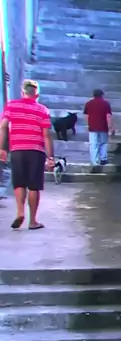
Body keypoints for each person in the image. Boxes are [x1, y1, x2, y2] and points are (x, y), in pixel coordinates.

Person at [0, 80, 54, 230]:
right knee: (34, 186)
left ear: (22, 92)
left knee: (19, 183)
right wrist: (50, 157)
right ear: (37, 95)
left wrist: (2, 148)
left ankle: (20, 212)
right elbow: (46, 135)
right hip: (36, 151)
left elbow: (3, 126)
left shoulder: (11, 105)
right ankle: (33, 221)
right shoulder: (42, 110)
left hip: (17, 150)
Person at [83, 89, 114, 166]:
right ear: (102, 95)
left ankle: (95, 161)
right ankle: (103, 159)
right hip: (103, 127)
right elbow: (108, 116)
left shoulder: (88, 104)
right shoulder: (106, 103)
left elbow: (86, 116)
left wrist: (88, 124)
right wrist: (110, 127)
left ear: (93, 95)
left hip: (92, 127)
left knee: (93, 144)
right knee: (103, 143)